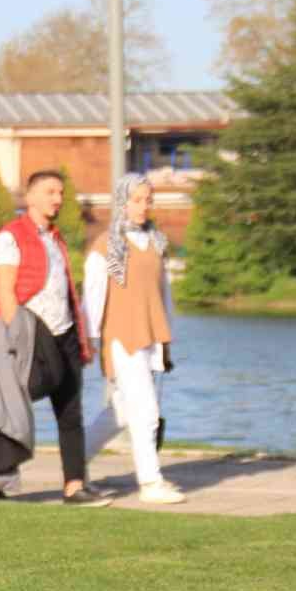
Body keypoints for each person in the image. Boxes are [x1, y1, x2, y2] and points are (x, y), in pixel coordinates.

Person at [0, 169, 108, 506]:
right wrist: (15, 338)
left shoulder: (55, 238)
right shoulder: (10, 236)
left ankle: (75, 486)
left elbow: (63, 291)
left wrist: (82, 338)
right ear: (29, 197)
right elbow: (4, 290)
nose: (57, 199)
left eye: (60, 193)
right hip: (29, 333)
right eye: (50, 192)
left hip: (65, 333)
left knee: (70, 409)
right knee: (7, 400)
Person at [81, 173, 185, 504]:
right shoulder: (107, 245)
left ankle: (73, 465)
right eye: (137, 200)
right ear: (122, 202)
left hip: (150, 335)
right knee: (146, 411)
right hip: (120, 337)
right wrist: (91, 339)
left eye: (148, 200)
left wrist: (166, 340)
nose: (143, 206)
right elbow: (93, 297)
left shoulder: (156, 242)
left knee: (123, 411)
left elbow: (162, 292)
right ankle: (151, 483)